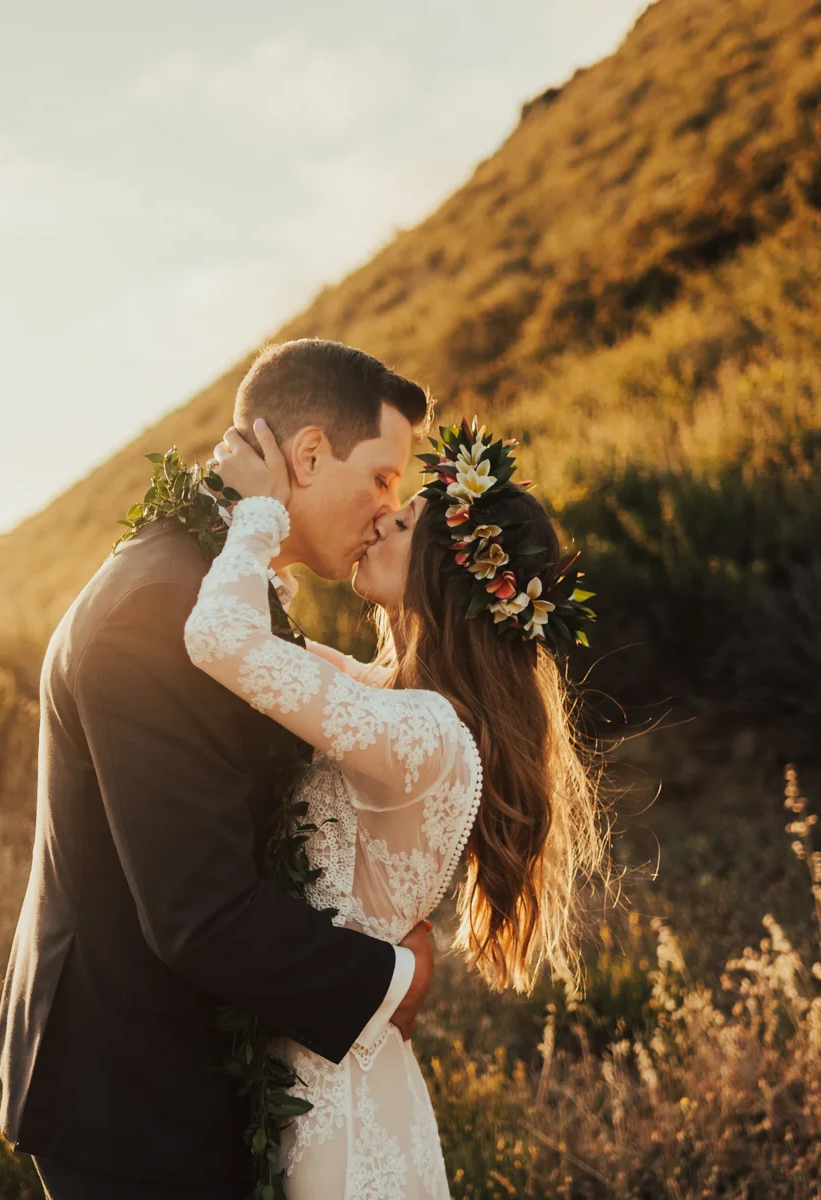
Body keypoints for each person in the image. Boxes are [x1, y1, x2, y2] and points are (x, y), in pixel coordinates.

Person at [0, 339, 440, 1199]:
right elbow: (199, 911)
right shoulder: (157, 610)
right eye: (382, 477)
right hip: (131, 1097)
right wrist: (394, 976)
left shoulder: (206, 582)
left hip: (177, 1066)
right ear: (308, 456)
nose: (390, 508)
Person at [188, 413, 606, 1197]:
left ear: (445, 573)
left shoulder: (422, 732)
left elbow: (222, 638)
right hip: (338, 1061)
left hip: (336, 1107)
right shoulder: (399, 703)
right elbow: (274, 647)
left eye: (404, 517)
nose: (382, 517)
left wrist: (258, 513)